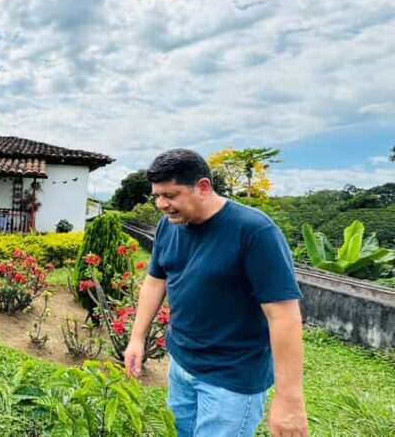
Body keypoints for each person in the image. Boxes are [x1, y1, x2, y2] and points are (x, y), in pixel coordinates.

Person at [124, 149, 308, 437]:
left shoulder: (254, 231)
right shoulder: (168, 225)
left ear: (203, 187)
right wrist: (137, 338)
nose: (161, 204)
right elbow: (155, 281)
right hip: (181, 365)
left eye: (170, 195)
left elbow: (283, 315)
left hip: (231, 379)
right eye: (157, 195)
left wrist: (289, 399)